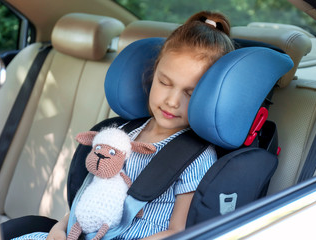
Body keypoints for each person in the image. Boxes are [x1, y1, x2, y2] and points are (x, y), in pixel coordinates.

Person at [12, 10, 235, 240]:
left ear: (210, 96)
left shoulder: (197, 157)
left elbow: (178, 232)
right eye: (165, 82)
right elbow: (92, 196)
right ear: (154, 72)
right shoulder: (121, 133)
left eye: (190, 92)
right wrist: (59, 229)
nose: (172, 101)